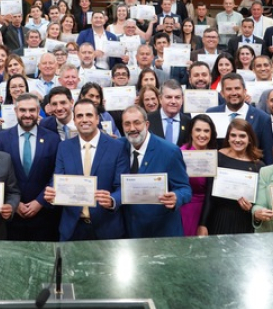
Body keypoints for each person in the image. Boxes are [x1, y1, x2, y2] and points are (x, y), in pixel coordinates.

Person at [45, 99, 129, 241]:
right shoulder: (64, 147)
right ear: (75, 120)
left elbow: (123, 186)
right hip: (72, 228)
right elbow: (57, 179)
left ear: (97, 119)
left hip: (107, 228)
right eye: (79, 116)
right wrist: (52, 192)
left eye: (89, 115)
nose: (84, 120)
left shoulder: (117, 147)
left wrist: (112, 200)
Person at [0, 93, 61, 241]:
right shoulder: (0, 139)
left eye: (32, 110)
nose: (27, 115)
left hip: (45, 216)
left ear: (38, 111)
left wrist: (40, 202)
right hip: (10, 217)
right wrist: (14, 203)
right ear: (16, 111)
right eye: (23, 110)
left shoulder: (52, 139)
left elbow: (57, 174)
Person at [121, 105, 192, 238]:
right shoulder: (119, 147)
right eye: (127, 124)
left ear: (147, 124)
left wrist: (176, 197)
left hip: (161, 231)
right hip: (129, 231)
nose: (132, 128)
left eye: (137, 123)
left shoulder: (169, 151)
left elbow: (185, 189)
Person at [198, 119, 264, 235]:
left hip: (244, 221)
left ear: (249, 139)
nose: (237, 140)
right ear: (228, 138)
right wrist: (203, 224)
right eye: (233, 135)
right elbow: (209, 195)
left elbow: (260, 200)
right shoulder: (217, 158)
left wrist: (251, 208)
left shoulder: (258, 166)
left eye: (242, 136)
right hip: (218, 218)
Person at [206, 73, 273, 164]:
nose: (234, 93)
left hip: (251, 172)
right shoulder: (212, 114)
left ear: (245, 91)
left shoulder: (262, 118)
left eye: (237, 88)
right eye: (229, 89)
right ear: (222, 93)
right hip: (220, 171)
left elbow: (268, 156)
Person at [179, 114, 218, 236]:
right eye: (198, 130)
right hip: (187, 209)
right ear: (191, 132)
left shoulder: (215, 154)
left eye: (206, 131)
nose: (202, 135)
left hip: (210, 210)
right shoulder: (181, 154)